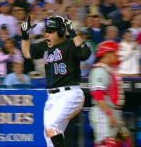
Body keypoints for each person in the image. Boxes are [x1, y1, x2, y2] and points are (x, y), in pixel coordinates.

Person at [21, 15, 91, 147]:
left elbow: (85, 54)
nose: (47, 34)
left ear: (60, 32)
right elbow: (27, 53)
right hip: (52, 97)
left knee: (52, 125)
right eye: (46, 31)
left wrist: (73, 32)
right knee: (50, 135)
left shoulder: (71, 44)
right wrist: (25, 36)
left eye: (50, 32)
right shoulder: (45, 46)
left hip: (70, 94)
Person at [88, 41, 126, 146]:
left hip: (112, 111)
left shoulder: (109, 69)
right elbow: (98, 95)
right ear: (107, 53)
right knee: (105, 144)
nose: (117, 55)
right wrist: (110, 115)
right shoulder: (100, 70)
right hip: (103, 112)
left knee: (118, 142)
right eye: (115, 53)